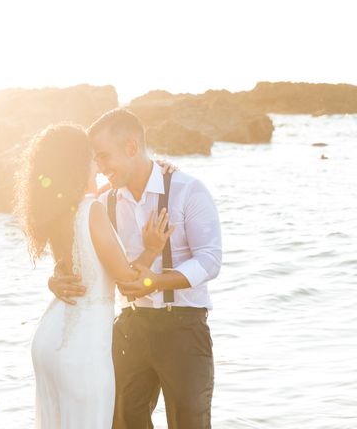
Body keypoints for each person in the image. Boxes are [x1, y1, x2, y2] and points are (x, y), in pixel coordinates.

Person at [48, 109, 222, 429]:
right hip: (130, 326)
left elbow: (210, 260)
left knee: (190, 422)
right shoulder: (104, 201)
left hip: (183, 325)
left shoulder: (188, 190)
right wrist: (56, 278)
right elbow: (79, 251)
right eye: (95, 160)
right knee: (123, 420)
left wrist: (156, 282)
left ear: (130, 147)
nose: (99, 169)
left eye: (104, 157)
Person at [14, 123, 173, 428]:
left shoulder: (59, 213)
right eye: (92, 158)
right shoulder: (91, 211)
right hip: (81, 347)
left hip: (49, 339)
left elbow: (76, 269)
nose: (98, 166)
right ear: (77, 163)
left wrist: (155, 168)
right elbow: (128, 283)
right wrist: (152, 250)